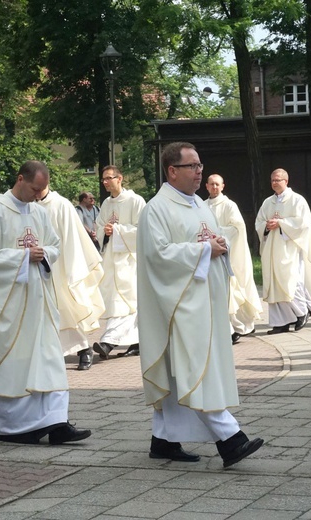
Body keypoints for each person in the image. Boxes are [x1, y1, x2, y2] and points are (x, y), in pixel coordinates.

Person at [137, 142, 263, 468]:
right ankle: (231, 440)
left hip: (203, 303)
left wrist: (218, 243)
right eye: (192, 166)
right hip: (178, 307)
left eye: (200, 165)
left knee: (180, 374)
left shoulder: (197, 204)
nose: (199, 172)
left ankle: (163, 440)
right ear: (172, 171)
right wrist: (206, 250)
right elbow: (158, 256)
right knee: (196, 370)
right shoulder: (157, 209)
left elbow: (211, 238)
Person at [0, 160, 91, 445]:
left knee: (48, 359)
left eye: (43, 189)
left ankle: (56, 422)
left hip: (38, 302)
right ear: (20, 179)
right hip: (5, 305)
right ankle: (0, 425)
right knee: (10, 365)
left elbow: (55, 245)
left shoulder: (39, 213)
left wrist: (44, 253)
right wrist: (22, 257)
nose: (38, 194)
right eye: (35, 188)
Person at [254, 169, 311, 334]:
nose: (274, 182)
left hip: (290, 248)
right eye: (272, 180)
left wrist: (281, 224)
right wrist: (266, 226)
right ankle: (281, 322)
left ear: (286, 181)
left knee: (292, 281)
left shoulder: (297, 200)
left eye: (278, 180)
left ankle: (303, 311)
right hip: (272, 250)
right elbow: (258, 221)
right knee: (274, 284)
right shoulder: (268, 202)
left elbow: (303, 224)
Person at [36, 184, 105, 370]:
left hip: (61, 265)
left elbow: (73, 238)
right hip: (35, 266)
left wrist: (73, 269)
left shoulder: (61, 205)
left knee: (68, 308)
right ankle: (48, 353)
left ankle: (84, 349)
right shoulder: (29, 205)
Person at [92, 165, 145, 359]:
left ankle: (109, 342)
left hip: (130, 259)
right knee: (117, 302)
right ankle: (136, 341)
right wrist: (104, 231)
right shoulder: (106, 203)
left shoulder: (136, 201)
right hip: (112, 259)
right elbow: (98, 226)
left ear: (120, 178)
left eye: (109, 178)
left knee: (127, 300)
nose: (105, 182)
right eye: (103, 179)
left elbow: (144, 229)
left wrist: (118, 230)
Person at [204, 173, 263, 344]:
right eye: (211, 184)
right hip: (210, 255)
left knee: (232, 291)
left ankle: (237, 327)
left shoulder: (229, 205)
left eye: (217, 184)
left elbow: (237, 228)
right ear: (206, 186)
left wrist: (217, 235)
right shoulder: (201, 205)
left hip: (228, 255)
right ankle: (225, 328)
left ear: (223, 186)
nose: (214, 187)